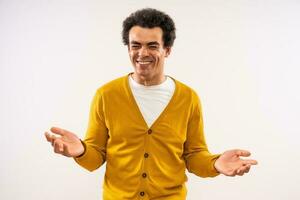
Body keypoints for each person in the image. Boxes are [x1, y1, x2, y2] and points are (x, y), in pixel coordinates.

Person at [45, 8, 258, 200]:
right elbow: (95, 158)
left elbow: (194, 156)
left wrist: (215, 163)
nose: (142, 53)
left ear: (167, 50)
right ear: (128, 48)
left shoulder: (188, 98)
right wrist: (81, 150)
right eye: (135, 45)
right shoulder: (106, 95)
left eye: (152, 46)